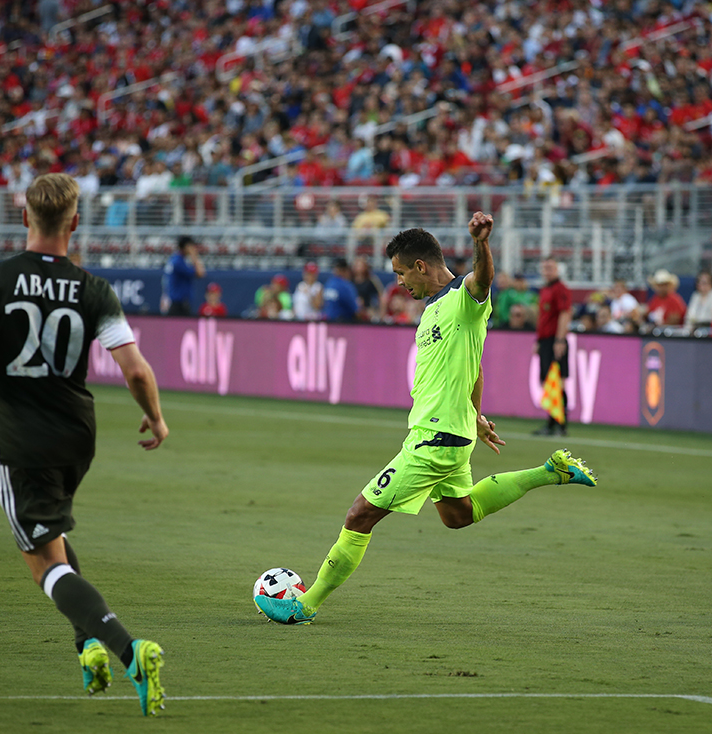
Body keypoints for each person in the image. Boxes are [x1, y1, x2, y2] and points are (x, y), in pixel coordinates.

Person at [253, 215, 597, 626]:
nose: (399, 283)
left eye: (400, 273)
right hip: (451, 433)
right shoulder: (435, 310)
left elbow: (483, 280)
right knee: (458, 515)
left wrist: (480, 243)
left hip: (434, 439)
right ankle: (550, 471)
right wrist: (476, 416)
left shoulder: (463, 297)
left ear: (420, 266)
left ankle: (304, 606)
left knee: (359, 515)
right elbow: (476, 368)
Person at [0, 173, 167, 716]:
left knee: (44, 564)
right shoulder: (93, 289)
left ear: (25, 218)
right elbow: (136, 370)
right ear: (74, 222)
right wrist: (156, 420)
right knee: (54, 537)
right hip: (78, 432)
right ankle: (86, 646)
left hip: (23, 440)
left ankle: (127, 650)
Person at [533, 258, 572, 437]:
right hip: (545, 341)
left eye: (550, 267)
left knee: (557, 382)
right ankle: (552, 424)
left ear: (557, 269)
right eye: (545, 267)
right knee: (550, 383)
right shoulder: (546, 289)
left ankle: (560, 425)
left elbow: (565, 313)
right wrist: (538, 341)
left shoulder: (559, 289)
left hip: (554, 340)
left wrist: (560, 340)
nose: (547, 271)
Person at [162, 235, 205, 316]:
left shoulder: (175, 259)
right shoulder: (179, 262)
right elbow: (200, 273)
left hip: (176, 301)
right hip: (179, 304)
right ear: (186, 246)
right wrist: (194, 255)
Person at [322, 258, 360, 322]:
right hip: (341, 324)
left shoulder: (328, 283)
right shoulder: (345, 286)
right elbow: (355, 310)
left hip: (327, 322)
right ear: (345, 270)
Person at [350, 256, 384, 322]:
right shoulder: (349, 281)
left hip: (367, 309)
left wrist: (380, 313)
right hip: (353, 309)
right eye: (357, 265)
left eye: (360, 266)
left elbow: (381, 294)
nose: (358, 268)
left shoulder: (371, 280)